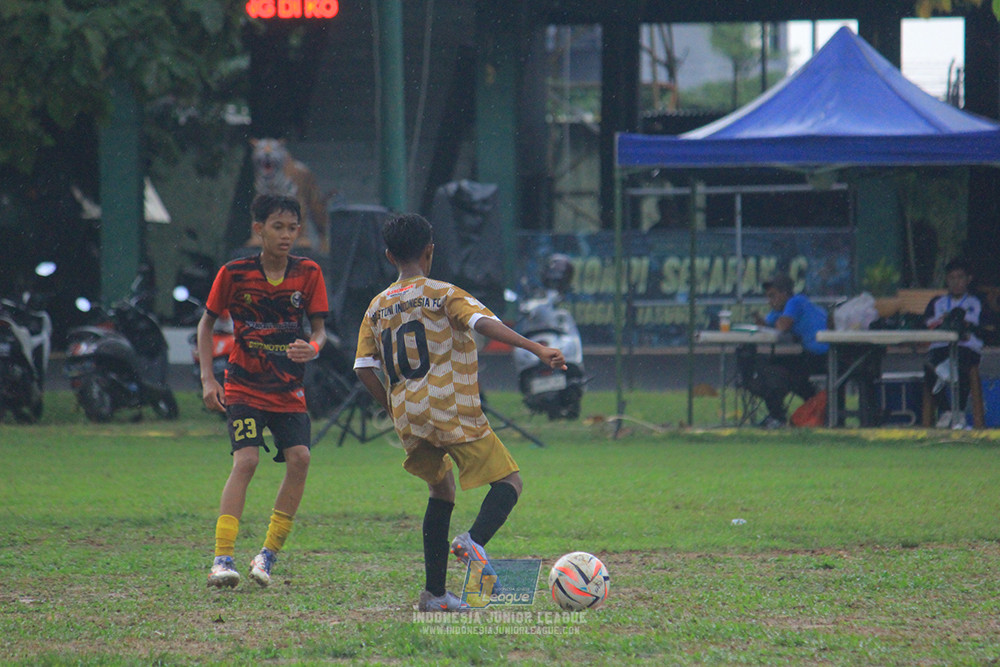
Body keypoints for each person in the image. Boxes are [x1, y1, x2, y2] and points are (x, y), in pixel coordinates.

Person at [353, 213, 566, 612]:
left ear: (388, 255)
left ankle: (435, 595)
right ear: (430, 251)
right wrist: (536, 348)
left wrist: (393, 407)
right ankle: (473, 542)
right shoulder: (444, 293)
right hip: (452, 407)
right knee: (509, 482)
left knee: (441, 491)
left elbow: (364, 367)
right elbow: (483, 322)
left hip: (410, 416)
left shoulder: (376, 306)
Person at [200, 193, 329, 589]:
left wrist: (314, 346)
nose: (287, 235)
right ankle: (222, 560)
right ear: (259, 230)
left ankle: (267, 556)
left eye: (293, 228)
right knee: (247, 461)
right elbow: (206, 326)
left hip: (288, 387)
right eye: (278, 227)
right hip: (244, 384)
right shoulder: (234, 273)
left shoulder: (308, 273)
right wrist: (209, 379)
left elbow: (319, 330)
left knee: (301, 458)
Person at [737, 273, 830, 428]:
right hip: (812, 354)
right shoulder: (780, 311)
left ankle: (779, 416)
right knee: (779, 368)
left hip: (823, 354)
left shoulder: (796, 301)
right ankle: (807, 404)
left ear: (785, 294)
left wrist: (772, 323)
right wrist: (762, 321)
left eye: (773, 296)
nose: (770, 301)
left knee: (775, 371)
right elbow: (768, 325)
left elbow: (782, 326)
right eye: (768, 297)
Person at [923, 258, 983, 429]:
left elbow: (983, 327)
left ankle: (960, 412)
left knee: (962, 365)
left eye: (960, 277)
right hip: (941, 347)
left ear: (968, 279)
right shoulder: (937, 303)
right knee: (929, 366)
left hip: (966, 348)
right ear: (947, 280)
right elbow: (927, 324)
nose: (957, 282)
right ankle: (947, 411)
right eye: (952, 278)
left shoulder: (976, 302)